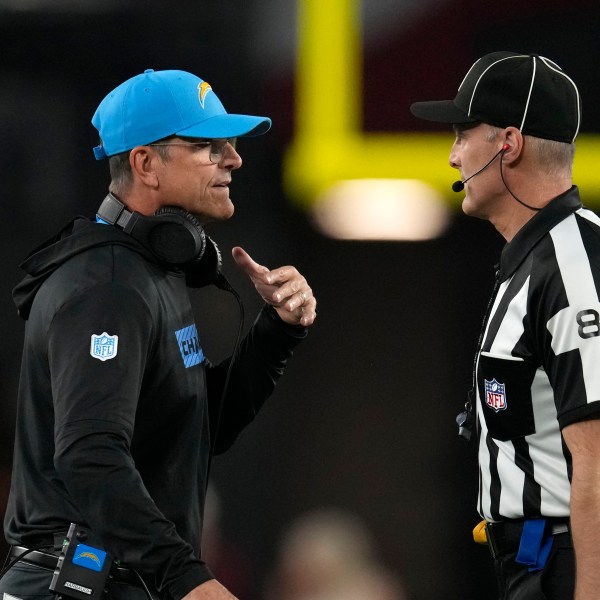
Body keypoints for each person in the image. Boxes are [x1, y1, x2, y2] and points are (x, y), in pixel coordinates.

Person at [0, 68, 317, 600]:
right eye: (206, 145)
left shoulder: (147, 273)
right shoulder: (108, 283)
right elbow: (89, 452)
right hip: (74, 585)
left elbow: (197, 432)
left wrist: (276, 334)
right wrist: (185, 576)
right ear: (145, 163)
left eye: (230, 144)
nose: (233, 158)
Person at [411, 52, 599, 599]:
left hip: (566, 562)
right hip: (535, 560)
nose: (451, 157)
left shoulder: (573, 267)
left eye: (461, 135)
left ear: (507, 144)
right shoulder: (534, 261)